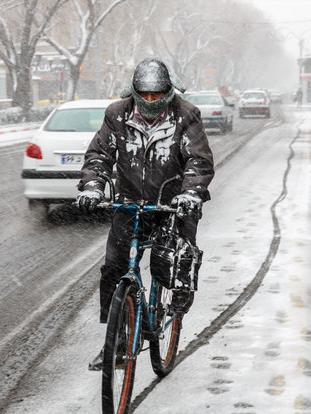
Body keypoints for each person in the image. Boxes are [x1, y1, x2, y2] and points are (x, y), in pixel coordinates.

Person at [76, 58, 215, 370]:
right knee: (114, 267)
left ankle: (173, 308)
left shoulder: (187, 115)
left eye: (157, 95)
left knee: (170, 264)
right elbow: (99, 153)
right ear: (135, 92)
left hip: (172, 206)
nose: (151, 101)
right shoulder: (117, 114)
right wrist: (93, 185)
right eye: (145, 95)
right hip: (129, 204)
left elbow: (199, 161)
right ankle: (117, 342)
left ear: (168, 92)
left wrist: (190, 193)